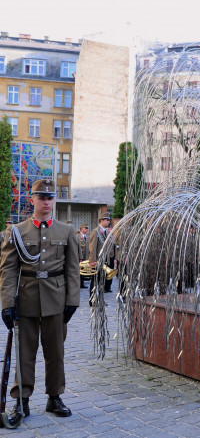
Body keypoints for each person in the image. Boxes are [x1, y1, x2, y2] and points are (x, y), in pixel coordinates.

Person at [0, 178, 79, 418]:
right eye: (41, 197)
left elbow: (72, 268)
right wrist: (7, 304)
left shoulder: (66, 231)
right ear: (32, 199)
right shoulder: (16, 231)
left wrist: (72, 300)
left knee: (55, 352)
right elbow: (8, 269)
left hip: (56, 298)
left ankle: (54, 398)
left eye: (50, 197)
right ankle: (22, 401)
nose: (46, 202)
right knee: (25, 351)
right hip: (27, 298)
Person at [88, 213, 115, 299]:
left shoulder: (106, 231)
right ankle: (92, 299)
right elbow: (92, 247)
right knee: (95, 280)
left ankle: (99, 298)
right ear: (101, 220)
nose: (108, 222)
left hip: (105, 260)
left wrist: (111, 256)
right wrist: (92, 260)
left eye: (108, 220)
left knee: (101, 280)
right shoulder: (95, 231)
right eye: (106, 220)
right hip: (97, 260)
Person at [78, 224, 90, 288]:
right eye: (86, 228)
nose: (87, 229)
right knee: (79, 271)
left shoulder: (88, 237)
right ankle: (79, 283)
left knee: (84, 271)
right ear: (81, 228)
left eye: (87, 228)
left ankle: (82, 283)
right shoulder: (77, 237)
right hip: (80, 257)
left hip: (86, 257)